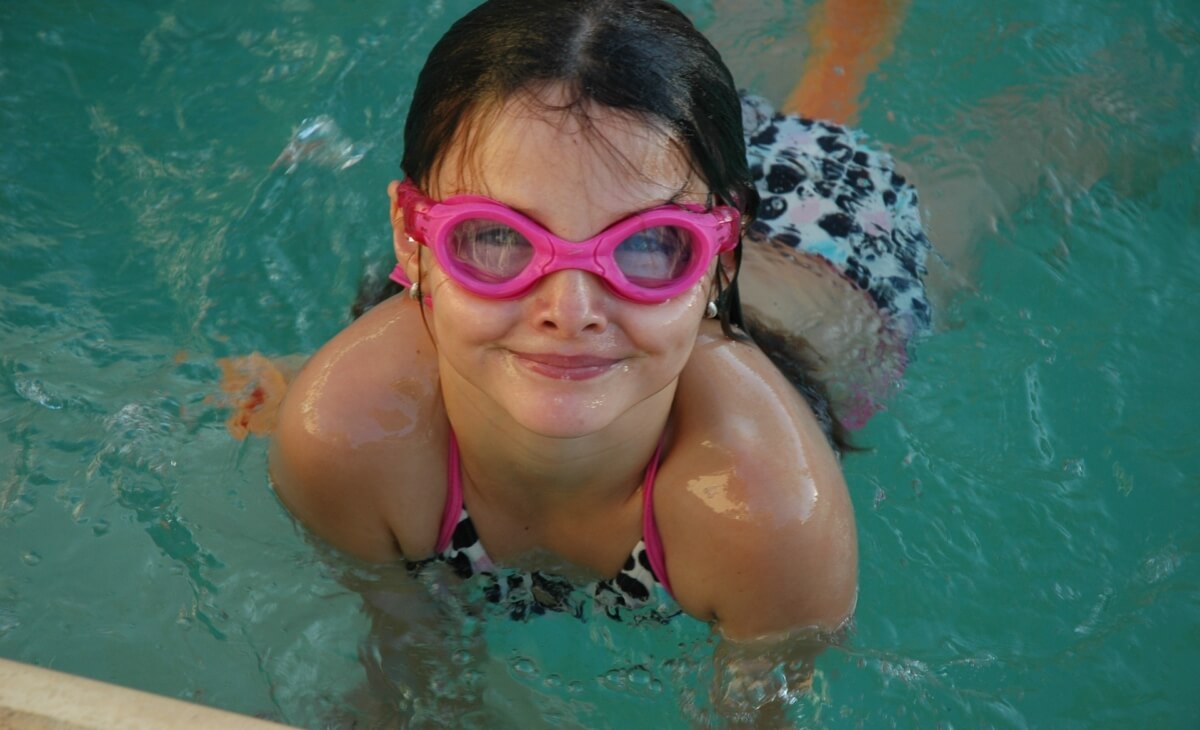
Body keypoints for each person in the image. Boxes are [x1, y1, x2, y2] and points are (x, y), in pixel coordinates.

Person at [258, 0, 930, 716]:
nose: (571, 310)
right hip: (647, 169)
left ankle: (847, 51)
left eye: (649, 245)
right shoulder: (346, 442)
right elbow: (408, 665)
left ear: (721, 259)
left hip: (830, 249)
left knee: (845, 105)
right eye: (496, 237)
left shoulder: (770, 516)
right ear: (411, 238)